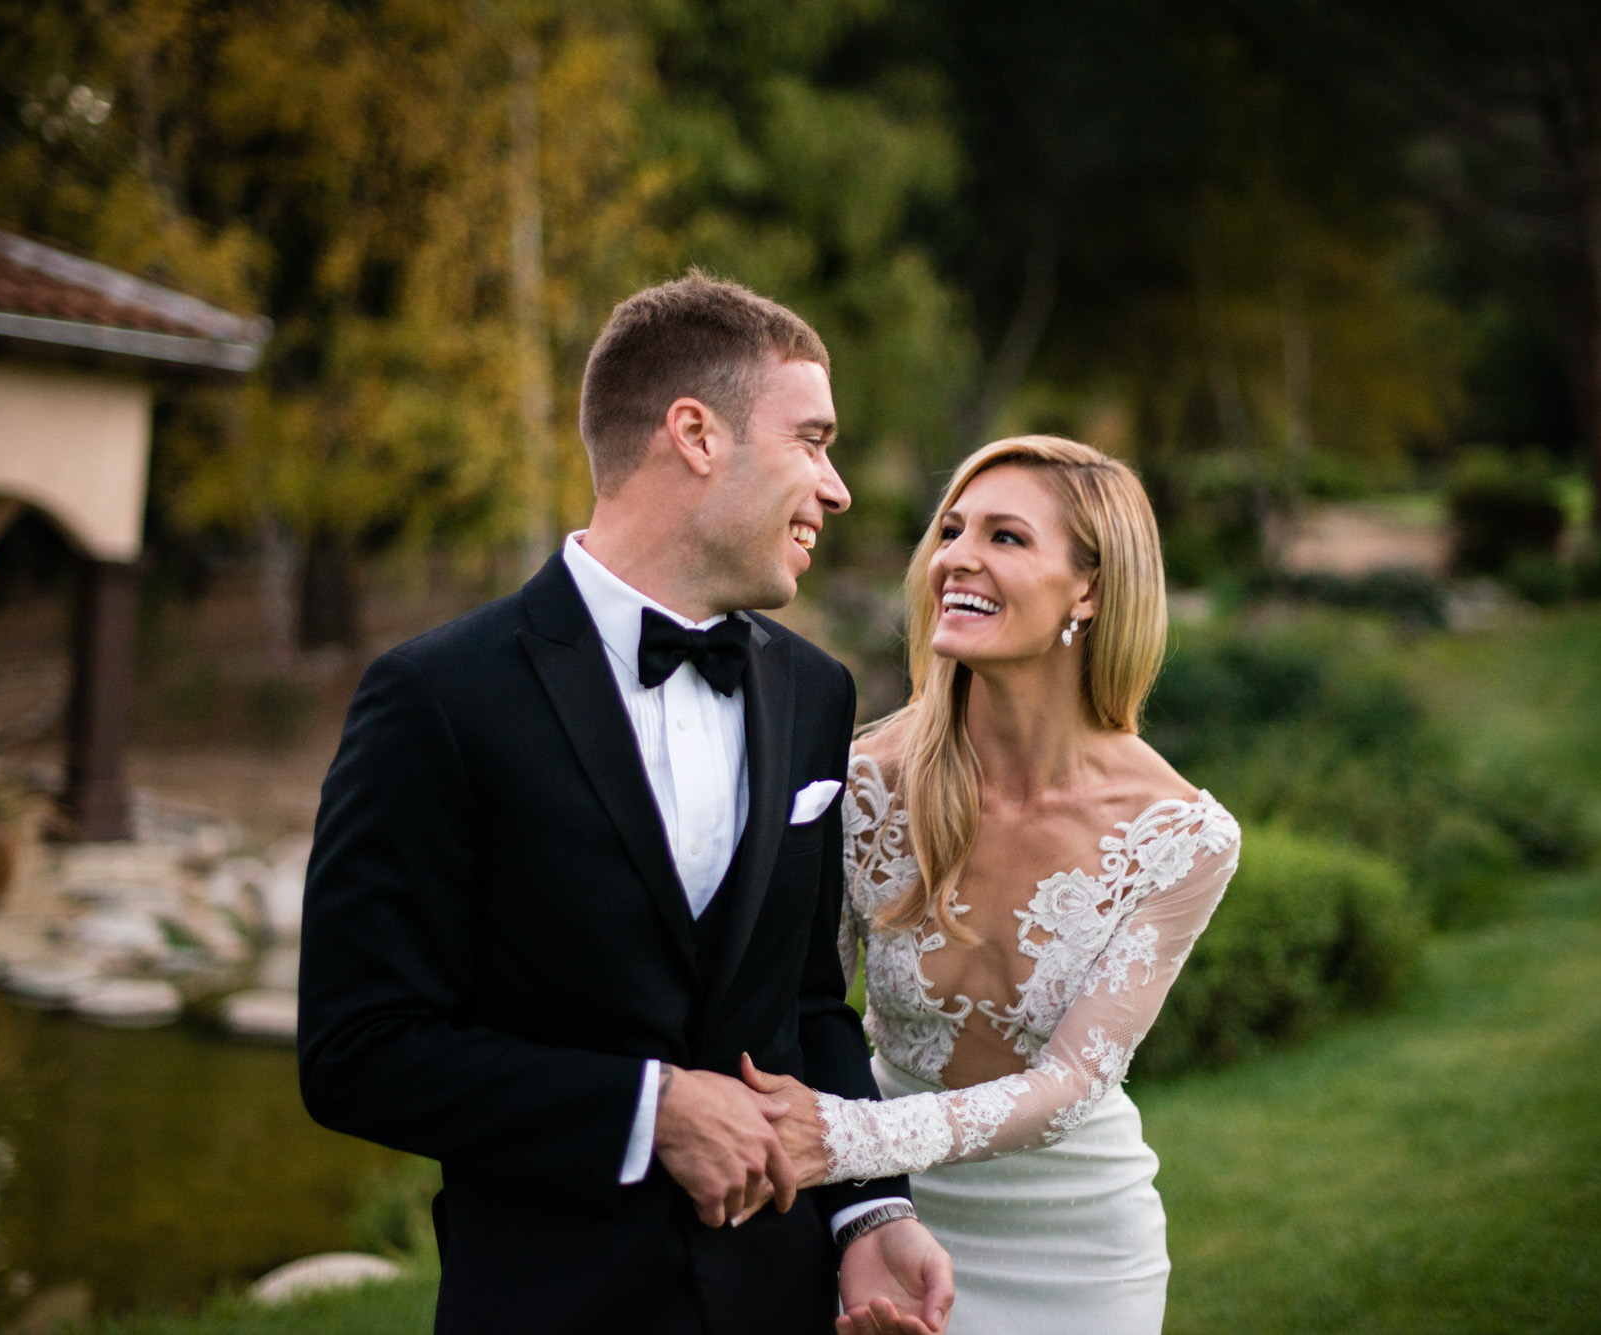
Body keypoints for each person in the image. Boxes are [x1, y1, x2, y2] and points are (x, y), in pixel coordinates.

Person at [297, 272, 954, 1335]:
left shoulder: (813, 690)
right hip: (549, 1299)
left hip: (775, 1301)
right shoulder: (438, 699)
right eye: (813, 440)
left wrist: (867, 1212)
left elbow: (807, 1003)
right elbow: (357, 1051)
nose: (835, 489)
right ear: (693, 434)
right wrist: (645, 1112)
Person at [744, 436, 1242, 1335]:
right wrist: (859, 1195)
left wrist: (842, 1138)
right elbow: (805, 1003)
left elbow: (1071, 1084)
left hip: (1078, 1241)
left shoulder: (1182, 836)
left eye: (1006, 536)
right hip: (878, 1213)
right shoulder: (865, 780)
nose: (957, 557)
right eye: (951, 529)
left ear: (1088, 590)